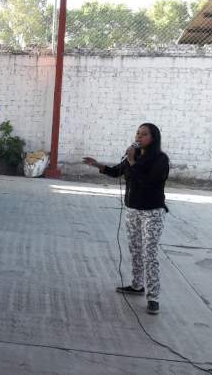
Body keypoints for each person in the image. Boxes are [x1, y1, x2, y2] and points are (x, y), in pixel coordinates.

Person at [82, 123, 170, 315]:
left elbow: (149, 182)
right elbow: (116, 172)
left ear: (153, 138)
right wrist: (97, 164)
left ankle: (153, 297)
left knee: (150, 253)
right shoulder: (135, 156)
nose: (139, 137)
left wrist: (132, 162)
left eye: (144, 134)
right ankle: (137, 285)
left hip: (152, 212)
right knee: (135, 249)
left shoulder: (160, 159)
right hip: (132, 210)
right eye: (138, 133)